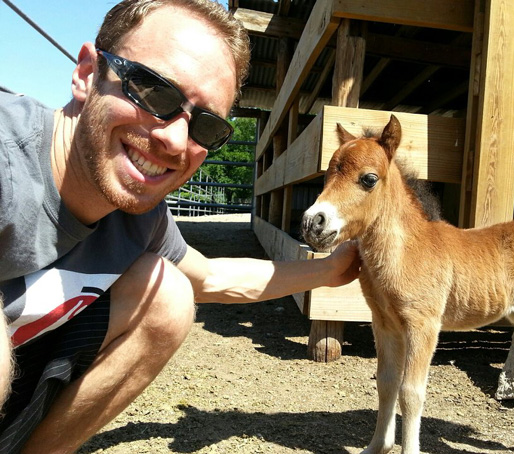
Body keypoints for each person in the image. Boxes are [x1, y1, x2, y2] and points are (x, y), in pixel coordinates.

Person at [0, 1, 361, 452]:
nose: (174, 140)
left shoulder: (139, 215)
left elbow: (210, 278)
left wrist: (334, 270)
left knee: (168, 295)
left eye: (205, 127)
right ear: (88, 74)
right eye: (153, 91)